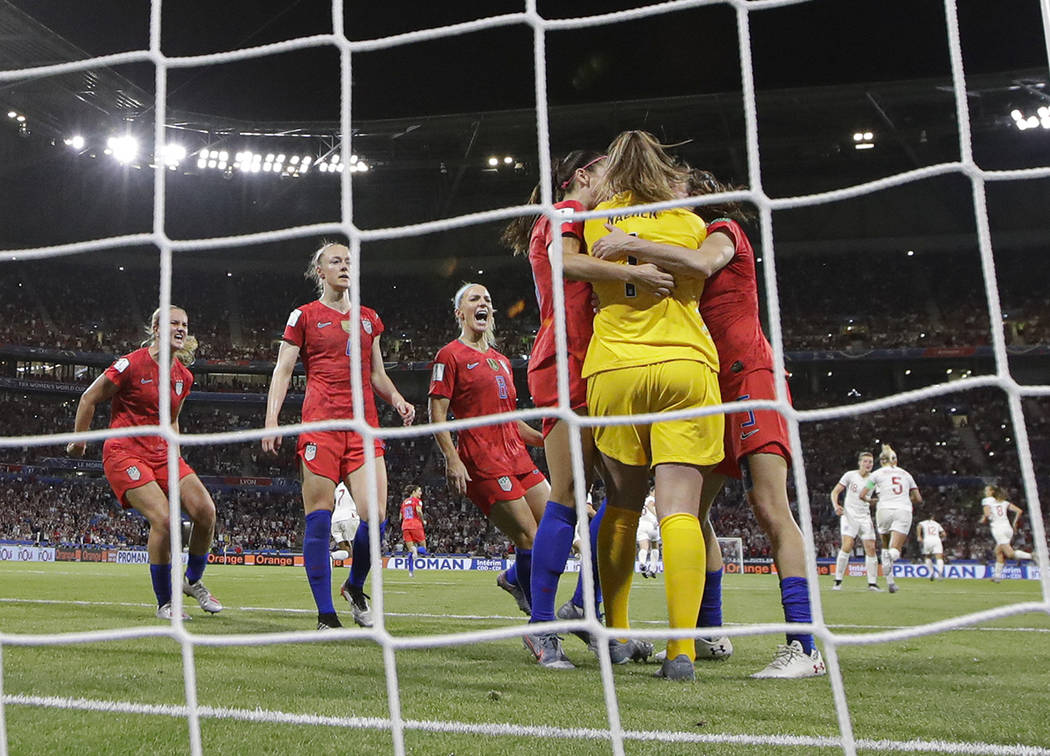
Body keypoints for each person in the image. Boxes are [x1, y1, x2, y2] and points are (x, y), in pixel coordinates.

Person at [592, 168, 826, 678]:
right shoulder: (674, 231)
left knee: (769, 505)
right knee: (689, 514)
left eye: (672, 184)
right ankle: (707, 630)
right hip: (705, 383)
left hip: (748, 377)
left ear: (696, 194)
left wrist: (631, 241)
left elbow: (699, 262)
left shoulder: (719, 230)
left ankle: (805, 647)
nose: (660, 189)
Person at [501, 150, 675, 668]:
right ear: (581, 177)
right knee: (571, 493)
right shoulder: (565, 214)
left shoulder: (591, 220)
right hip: (566, 361)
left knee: (626, 494)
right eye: (605, 174)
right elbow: (566, 262)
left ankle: (585, 608)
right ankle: (541, 627)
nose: (613, 184)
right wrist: (641, 272)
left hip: (600, 362)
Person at [583, 131, 726, 681]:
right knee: (679, 512)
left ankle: (616, 636)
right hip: (684, 366)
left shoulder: (599, 219)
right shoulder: (688, 222)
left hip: (615, 368)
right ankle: (682, 651)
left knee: (620, 504)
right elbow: (701, 267)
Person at [263, 241, 415, 630]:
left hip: (363, 429)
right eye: (336, 261)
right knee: (319, 518)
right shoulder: (304, 316)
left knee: (376, 518)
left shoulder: (369, 319)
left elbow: (376, 373)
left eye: (349, 261)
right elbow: (283, 371)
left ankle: (354, 585)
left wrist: (397, 399)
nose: (345, 266)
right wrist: (272, 419)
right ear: (321, 272)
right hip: (320, 426)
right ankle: (325, 614)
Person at [428, 284, 564, 663]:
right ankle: (541, 629)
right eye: (474, 299)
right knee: (531, 536)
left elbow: (510, 420)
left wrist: (546, 438)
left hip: (518, 457)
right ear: (460, 313)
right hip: (482, 460)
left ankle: (515, 578)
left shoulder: (502, 361)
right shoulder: (450, 356)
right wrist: (452, 459)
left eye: (487, 298)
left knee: (555, 528)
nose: (483, 302)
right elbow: (437, 415)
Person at [67, 305, 222, 620]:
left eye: (185, 324)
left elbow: (173, 420)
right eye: (173, 323)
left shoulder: (184, 376)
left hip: (163, 453)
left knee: (206, 511)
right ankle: (166, 603)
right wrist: (79, 440)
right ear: (156, 329)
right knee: (164, 521)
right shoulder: (130, 365)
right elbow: (88, 397)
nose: (180, 329)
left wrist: (175, 453)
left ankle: (192, 582)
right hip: (125, 452)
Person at [860, 444, 922, 594]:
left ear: (881, 461)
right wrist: (904, 499)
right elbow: (918, 498)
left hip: (883, 510)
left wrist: (871, 501)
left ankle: (890, 582)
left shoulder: (876, 474)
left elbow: (862, 494)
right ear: (895, 460)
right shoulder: (906, 474)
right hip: (903, 510)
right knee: (895, 550)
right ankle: (893, 557)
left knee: (885, 545)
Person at [830, 451, 880, 591]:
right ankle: (838, 581)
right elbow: (835, 492)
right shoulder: (850, 475)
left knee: (870, 547)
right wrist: (836, 506)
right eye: (865, 461)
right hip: (849, 516)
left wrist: (876, 501)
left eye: (870, 462)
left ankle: (872, 583)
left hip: (864, 516)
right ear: (859, 463)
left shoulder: (874, 480)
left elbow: (879, 496)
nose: (868, 464)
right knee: (847, 545)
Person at [979, 485, 1032, 582]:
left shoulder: (986, 500)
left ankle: (1032, 556)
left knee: (1010, 553)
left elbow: (987, 514)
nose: (985, 492)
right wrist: (1014, 523)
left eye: (986, 490)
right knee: (998, 552)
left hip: (998, 529)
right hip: (1008, 528)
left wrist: (984, 518)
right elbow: (1019, 511)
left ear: (992, 492)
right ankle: (997, 576)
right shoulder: (1004, 502)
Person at [400, 484, 427, 577]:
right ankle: (416, 550)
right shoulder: (417, 501)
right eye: (419, 491)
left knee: (411, 550)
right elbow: (419, 511)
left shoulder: (405, 502)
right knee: (424, 548)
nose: (421, 493)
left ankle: (411, 572)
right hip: (415, 525)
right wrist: (423, 520)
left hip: (405, 526)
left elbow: (401, 516)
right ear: (414, 492)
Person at [330, 482, 359, 561]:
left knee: (347, 552)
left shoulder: (338, 487)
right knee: (359, 549)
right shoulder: (356, 483)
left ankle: (331, 557)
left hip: (335, 519)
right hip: (349, 517)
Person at [636, 487, 661, 578]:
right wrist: (657, 516)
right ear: (651, 491)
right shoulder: (651, 499)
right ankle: (653, 569)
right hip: (652, 525)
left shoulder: (641, 500)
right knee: (655, 545)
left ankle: (642, 563)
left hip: (641, 524)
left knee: (644, 547)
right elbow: (650, 505)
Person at [916, 514, 947, 580]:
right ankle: (940, 573)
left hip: (927, 540)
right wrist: (941, 538)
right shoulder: (937, 524)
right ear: (932, 517)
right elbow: (944, 534)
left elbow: (919, 526)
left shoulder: (923, 523)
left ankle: (931, 573)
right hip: (936, 540)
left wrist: (919, 536)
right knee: (939, 557)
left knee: (927, 557)